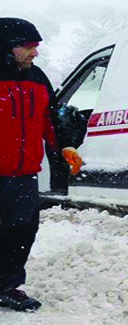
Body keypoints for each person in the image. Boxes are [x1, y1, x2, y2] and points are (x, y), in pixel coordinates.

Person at [0, 17, 83, 312]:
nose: (35, 53)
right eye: (28, 46)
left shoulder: (37, 77)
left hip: (23, 174)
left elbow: (51, 117)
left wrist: (66, 145)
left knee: (20, 230)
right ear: (7, 47)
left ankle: (6, 286)